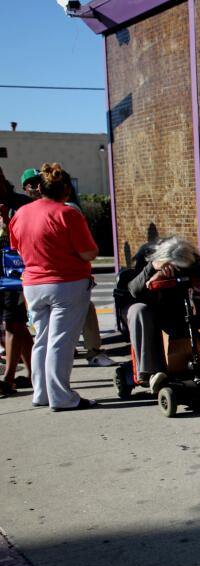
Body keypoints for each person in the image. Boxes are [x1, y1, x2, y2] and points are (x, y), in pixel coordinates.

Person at [8, 163, 100, 410]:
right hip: (66, 284)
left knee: (42, 339)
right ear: (66, 189)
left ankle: (42, 393)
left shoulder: (21, 214)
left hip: (33, 285)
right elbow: (88, 252)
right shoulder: (67, 214)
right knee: (60, 341)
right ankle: (61, 397)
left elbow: (17, 247)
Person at [126, 236, 200, 391]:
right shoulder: (147, 256)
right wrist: (152, 269)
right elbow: (134, 289)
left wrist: (175, 274)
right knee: (139, 311)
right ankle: (150, 373)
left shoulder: (191, 257)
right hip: (153, 307)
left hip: (181, 305)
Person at [0, 168, 33, 395]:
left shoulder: (21, 205)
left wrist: (8, 223)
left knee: (13, 323)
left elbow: (31, 237)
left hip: (15, 273)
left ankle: (8, 379)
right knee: (17, 326)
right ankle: (33, 374)